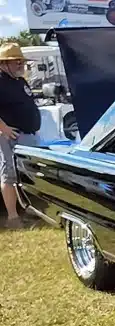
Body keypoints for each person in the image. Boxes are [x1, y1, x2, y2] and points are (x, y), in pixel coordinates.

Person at [0, 43, 41, 229]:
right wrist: (4, 128)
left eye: (21, 61)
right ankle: (13, 217)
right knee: (9, 175)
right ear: (4, 63)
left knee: (26, 173)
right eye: (16, 61)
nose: (20, 64)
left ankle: (29, 209)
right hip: (11, 136)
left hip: (27, 135)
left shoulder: (19, 80)